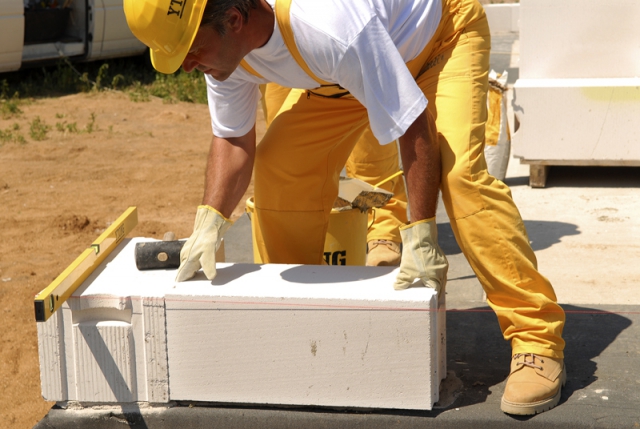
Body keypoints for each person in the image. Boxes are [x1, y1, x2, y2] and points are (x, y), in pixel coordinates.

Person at [124, 0, 566, 415]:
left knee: (459, 177)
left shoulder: (326, 25)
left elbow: (411, 121)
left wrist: (421, 231)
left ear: (235, 20)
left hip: (438, 42)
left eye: (190, 50)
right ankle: (292, 322)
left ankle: (536, 337)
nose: (186, 65)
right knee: (282, 165)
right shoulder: (226, 52)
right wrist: (210, 219)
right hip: (346, 73)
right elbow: (234, 138)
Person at [260, 82, 408, 266]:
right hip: (275, 56)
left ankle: (383, 229)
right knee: (286, 147)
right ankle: (298, 240)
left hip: (331, 55)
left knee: (363, 113)